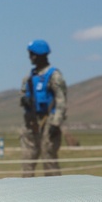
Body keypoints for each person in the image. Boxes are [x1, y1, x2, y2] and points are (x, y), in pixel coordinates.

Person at [19, 39, 68, 177]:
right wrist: (24, 100)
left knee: (49, 158)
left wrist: (56, 123)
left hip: (49, 121)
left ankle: (54, 192)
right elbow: (22, 94)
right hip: (31, 122)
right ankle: (26, 191)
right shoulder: (29, 77)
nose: (30, 57)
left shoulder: (54, 75)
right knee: (28, 160)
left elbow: (61, 100)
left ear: (39, 55)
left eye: (32, 54)